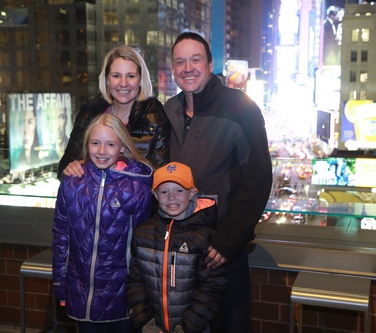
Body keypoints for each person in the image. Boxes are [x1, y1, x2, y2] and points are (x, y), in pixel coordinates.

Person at [163, 32, 273, 333]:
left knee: (229, 325)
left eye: (195, 60)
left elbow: (259, 178)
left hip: (221, 252)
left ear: (210, 65)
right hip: (179, 253)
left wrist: (228, 241)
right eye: (180, 62)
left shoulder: (240, 108)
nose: (188, 68)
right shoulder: (168, 111)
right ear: (173, 69)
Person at [52, 113, 154, 333]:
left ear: (122, 147)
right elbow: (62, 237)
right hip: (81, 296)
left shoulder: (137, 187)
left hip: (122, 297)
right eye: (95, 143)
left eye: (110, 144)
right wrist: (60, 286)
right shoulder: (72, 182)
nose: (101, 150)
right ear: (87, 144)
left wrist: (141, 295)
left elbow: (142, 247)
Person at [127, 162, 227, 333]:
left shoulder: (205, 236)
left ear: (192, 193)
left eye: (179, 190)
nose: (171, 197)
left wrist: (186, 328)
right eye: (164, 191)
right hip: (152, 328)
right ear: (155, 195)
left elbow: (211, 290)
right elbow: (135, 282)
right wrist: (145, 323)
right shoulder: (142, 233)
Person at [57, 44, 170, 179]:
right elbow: (63, 171)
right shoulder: (88, 115)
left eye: (131, 76)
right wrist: (71, 169)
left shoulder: (156, 119)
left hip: (137, 200)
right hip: (93, 199)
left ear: (140, 80)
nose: (123, 83)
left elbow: (162, 181)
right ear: (107, 80)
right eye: (116, 75)